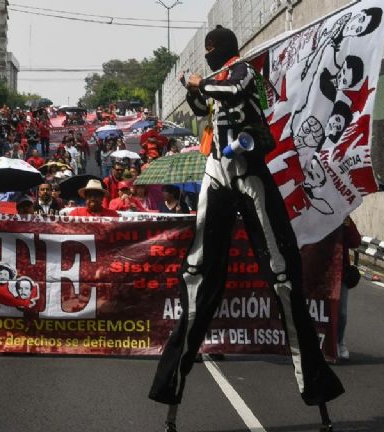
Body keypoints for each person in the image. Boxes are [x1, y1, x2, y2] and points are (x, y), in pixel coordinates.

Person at [148, 25, 343, 432]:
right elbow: (202, 109)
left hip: (249, 171)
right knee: (198, 274)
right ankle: (171, 389)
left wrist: (204, 81)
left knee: (282, 273)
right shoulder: (219, 78)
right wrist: (193, 90)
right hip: (217, 171)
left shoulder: (245, 71)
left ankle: (317, 389)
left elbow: (234, 90)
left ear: (224, 50)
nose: (208, 57)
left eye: (211, 51)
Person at [337, 216, 362, 361]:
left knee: (341, 312)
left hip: (339, 272)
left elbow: (355, 242)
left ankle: (339, 341)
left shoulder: (342, 215)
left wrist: (347, 224)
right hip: (317, 272)